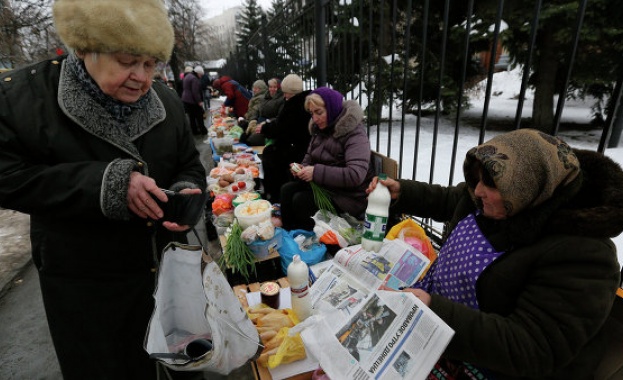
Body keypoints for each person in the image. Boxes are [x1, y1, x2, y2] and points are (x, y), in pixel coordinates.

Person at [0, 0, 207, 379]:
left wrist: (186, 190)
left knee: (179, 365)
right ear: (84, 47)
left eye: (150, 64)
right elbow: (7, 176)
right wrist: (105, 185)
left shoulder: (166, 101)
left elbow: (188, 163)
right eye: (128, 61)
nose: (142, 78)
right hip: (85, 286)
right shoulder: (23, 98)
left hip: (164, 272)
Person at [367, 129, 623, 379]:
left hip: (490, 363)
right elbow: (453, 199)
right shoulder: (497, 199)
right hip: (437, 316)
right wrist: (403, 192)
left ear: (527, 187)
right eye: (477, 179)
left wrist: (435, 312)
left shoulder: (585, 256)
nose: (478, 191)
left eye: (491, 183)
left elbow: (531, 348)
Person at [280, 87, 375, 231]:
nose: (315, 119)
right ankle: (291, 235)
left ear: (332, 109)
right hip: (328, 187)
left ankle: (309, 241)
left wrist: (315, 172)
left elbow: (355, 175)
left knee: (301, 201)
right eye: (312, 114)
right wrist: (301, 168)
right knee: (287, 190)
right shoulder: (320, 130)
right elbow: (310, 157)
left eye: (319, 112)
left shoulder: (354, 133)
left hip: (349, 197)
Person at [254, 74, 312, 202]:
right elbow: (281, 123)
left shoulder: (294, 105)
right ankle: (273, 193)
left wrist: (265, 128)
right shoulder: (299, 101)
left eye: (286, 93)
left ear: (292, 92)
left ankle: (274, 196)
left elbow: (282, 128)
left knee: (270, 154)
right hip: (296, 145)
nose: (284, 96)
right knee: (270, 152)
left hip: (297, 149)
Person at [239, 79, 268, 146]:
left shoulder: (261, 98)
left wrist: (247, 119)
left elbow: (254, 111)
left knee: (245, 139)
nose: (254, 90)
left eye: (257, 88)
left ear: (262, 89)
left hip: (255, 123)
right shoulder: (256, 96)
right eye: (253, 88)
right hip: (252, 121)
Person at [181, 65, 207, 135]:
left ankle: (194, 131)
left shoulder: (187, 76)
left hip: (186, 100)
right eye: (201, 75)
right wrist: (199, 101)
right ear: (198, 73)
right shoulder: (194, 79)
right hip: (192, 101)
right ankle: (203, 131)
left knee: (191, 117)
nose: (201, 76)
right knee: (199, 116)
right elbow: (195, 91)